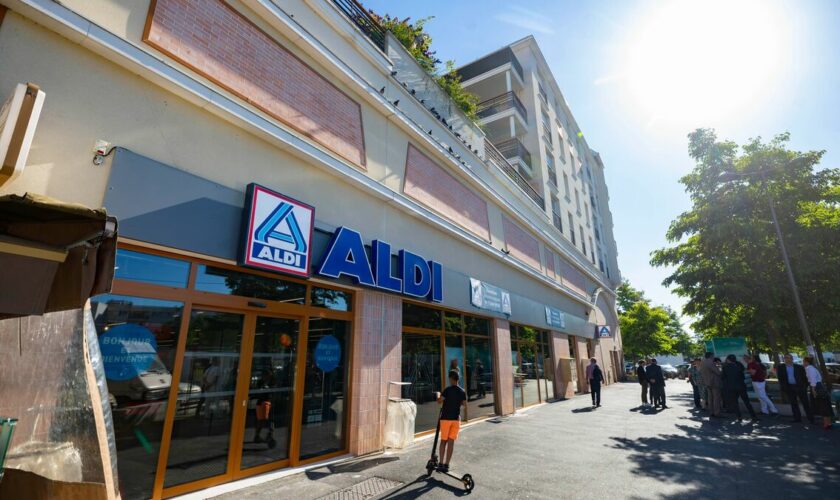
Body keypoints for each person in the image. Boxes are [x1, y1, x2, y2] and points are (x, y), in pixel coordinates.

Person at [436, 370, 467, 473]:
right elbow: (464, 404)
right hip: (455, 419)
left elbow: (439, 401)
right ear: (458, 379)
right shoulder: (462, 391)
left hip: (445, 419)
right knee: (451, 442)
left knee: (443, 441)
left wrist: (438, 395)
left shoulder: (447, 390)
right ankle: (446, 465)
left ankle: (440, 463)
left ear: (451, 379)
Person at [777, 354, 813, 424]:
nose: (788, 359)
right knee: (793, 404)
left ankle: (811, 419)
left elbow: (805, 378)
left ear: (792, 359)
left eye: (789, 358)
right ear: (784, 359)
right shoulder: (781, 367)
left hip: (800, 387)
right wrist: (784, 387)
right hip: (790, 387)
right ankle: (797, 418)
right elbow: (780, 378)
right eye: (786, 358)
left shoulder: (799, 367)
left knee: (805, 403)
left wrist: (805, 386)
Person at [721, 354, 758, 422]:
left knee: (735, 403)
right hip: (741, 386)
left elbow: (723, 378)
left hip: (732, 387)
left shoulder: (725, 367)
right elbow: (743, 375)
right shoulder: (739, 365)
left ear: (728, 360)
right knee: (747, 402)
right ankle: (753, 416)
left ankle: (739, 416)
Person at [803, 357, 833, 430]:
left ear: (806, 362)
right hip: (819, 386)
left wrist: (813, 390)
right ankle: (828, 423)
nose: (803, 363)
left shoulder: (809, 368)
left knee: (822, 405)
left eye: (803, 361)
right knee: (825, 404)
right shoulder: (813, 368)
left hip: (816, 387)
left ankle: (826, 423)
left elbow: (813, 380)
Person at [700, 352, 723, 418]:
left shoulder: (703, 362)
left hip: (707, 382)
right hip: (714, 382)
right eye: (713, 355)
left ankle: (711, 412)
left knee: (710, 398)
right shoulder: (710, 362)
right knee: (716, 398)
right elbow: (718, 372)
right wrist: (720, 367)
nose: (713, 357)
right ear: (711, 356)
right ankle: (717, 413)